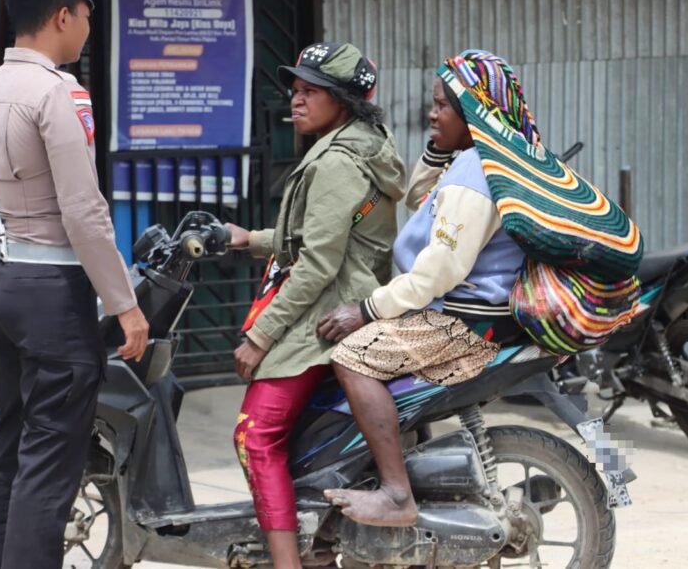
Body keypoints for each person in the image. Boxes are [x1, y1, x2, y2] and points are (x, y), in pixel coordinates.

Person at [0, 0, 149, 569]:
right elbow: (83, 209)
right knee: (49, 466)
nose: (88, 28)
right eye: (87, 14)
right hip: (51, 289)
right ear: (65, 15)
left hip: (1, 278)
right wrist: (126, 304)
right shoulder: (58, 92)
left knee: (12, 449)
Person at [317, 50, 533, 528]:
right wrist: (440, 148)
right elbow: (421, 201)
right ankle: (404, 460)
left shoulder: (476, 174)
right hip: (468, 311)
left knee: (350, 357)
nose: (431, 114)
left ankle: (397, 494)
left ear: (475, 113)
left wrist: (367, 309)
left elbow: (438, 271)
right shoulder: (480, 160)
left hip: (461, 320)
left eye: (443, 107)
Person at [224, 42, 405, 569]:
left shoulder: (336, 164)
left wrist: (261, 337)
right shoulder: (364, 145)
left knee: (254, 437)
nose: (295, 102)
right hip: (347, 296)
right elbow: (320, 238)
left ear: (342, 101)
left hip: (326, 313)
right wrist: (248, 239)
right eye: (295, 91)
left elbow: (318, 265)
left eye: (310, 92)